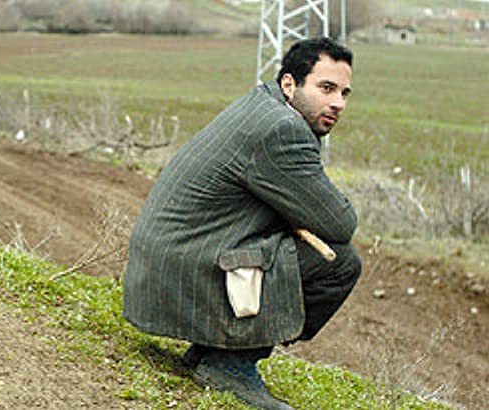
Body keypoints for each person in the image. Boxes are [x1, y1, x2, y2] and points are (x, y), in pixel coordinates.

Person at [122, 37, 362, 410]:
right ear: (289, 84)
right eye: (326, 88)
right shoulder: (282, 131)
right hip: (184, 269)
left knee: (285, 240)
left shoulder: (262, 105)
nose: (337, 103)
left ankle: (209, 350)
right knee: (339, 263)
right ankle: (230, 363)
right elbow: (339, 223)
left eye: (345, 93)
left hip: (169, 261)